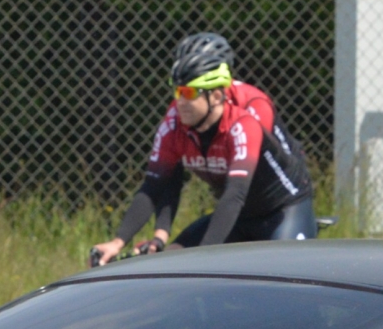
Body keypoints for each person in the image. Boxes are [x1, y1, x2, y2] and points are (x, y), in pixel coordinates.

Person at [89, 33, 315, 266]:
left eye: (188, 93)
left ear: (216, 92)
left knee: (276, 275)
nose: (180, 102)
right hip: (238, 209)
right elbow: (160, 181)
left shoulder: (248, 114)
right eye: (177, 91)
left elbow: (236, 192)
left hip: (281, 207)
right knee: (174, 259)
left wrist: (204, 255)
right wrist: (144, 238)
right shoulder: (177, 121)